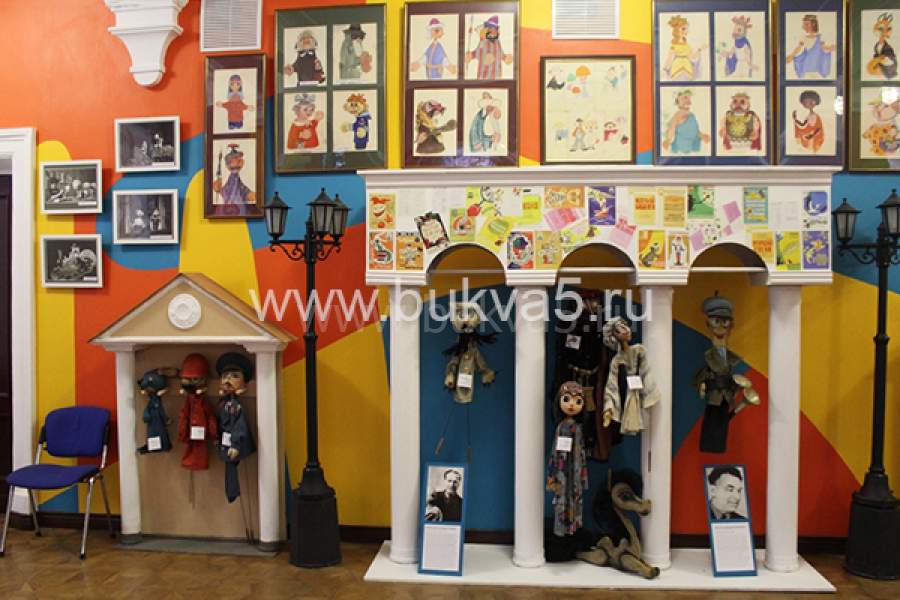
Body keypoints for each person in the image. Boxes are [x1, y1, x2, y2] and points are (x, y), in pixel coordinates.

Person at [693, 294, 760, 453]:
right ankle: (710, 446)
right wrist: (702, 384)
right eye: (716, 322)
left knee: (722, 423)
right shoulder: (710, 356)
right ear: (708, 324)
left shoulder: (729, 357)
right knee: (713, 422)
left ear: (731, 325)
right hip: (715, 396)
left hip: (725, 396)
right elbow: (703, 374)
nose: (721, 327)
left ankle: (716, 447)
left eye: (725, 322)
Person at [785, 14, 835, 79]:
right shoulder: (803, 37)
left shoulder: (821, 37)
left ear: (813, 24)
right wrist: (792, 55)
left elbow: (824, 47)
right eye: (804, 24)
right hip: (806, 68)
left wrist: (831, 48)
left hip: (817, 68)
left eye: (806, 24)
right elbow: (798, 48)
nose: (804, 27)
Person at [662, 89, 710, 154]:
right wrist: (668, 140)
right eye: (685, 98)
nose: (688, 101)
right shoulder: (677, 116)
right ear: (677, 101)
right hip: (682, 145)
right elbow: (672, 128)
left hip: (694, 144)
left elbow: (695, 130)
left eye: (689, 99)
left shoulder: (692, 115)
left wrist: (702, 135)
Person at [465, 15, 512, 80]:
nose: (492, 32)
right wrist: (470, 55)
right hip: (482, 77)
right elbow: (477, 53)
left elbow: (501, 55)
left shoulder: (497, 43)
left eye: (494, 30)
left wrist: (506, 58)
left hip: (495, 78)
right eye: (490, 29)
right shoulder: (482, 42)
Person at [663, 15, 705, 81]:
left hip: (687, 68)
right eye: (683, 29)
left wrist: (700, 49)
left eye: (686, 29)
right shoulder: (674, 46)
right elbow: (669, 59)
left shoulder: (687, 45)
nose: (686, 31)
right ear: (676, 30)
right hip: (677, 68)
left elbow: (692, 57)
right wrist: (665, 70)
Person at [867, 13, 897, 79]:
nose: (883, 32)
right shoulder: (877, 45)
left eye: (886, 29)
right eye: (880, 29)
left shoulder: (888, 47)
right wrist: (877, 59)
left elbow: (890, 57)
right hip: (880, 63)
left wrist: (879, 59)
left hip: (889, 65)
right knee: (869, 68)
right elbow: (877, 54)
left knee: (871, 69)